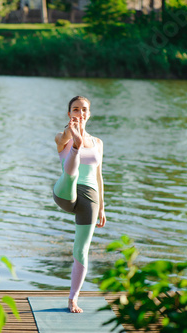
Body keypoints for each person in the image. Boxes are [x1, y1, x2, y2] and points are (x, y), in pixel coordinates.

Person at [53, 96, 106, 313]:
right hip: (66, 192)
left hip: (90, 197)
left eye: (84, 110)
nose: (80, 113)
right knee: (71, 175)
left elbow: (99, 176)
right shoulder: (61, 137)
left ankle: (73, 299)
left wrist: (102, 207)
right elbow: (64, 135)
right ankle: (76, 149)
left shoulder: (98, 143)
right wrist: (73, 135)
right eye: (76, 109)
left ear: (90, 113)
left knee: (81, 249)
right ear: (69, 114)